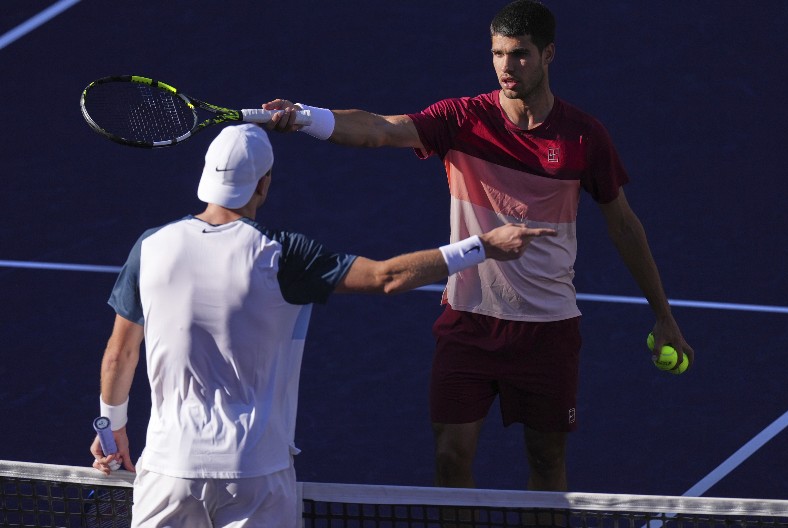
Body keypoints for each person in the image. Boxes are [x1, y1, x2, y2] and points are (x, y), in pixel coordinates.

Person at [262, 0, 694, 492]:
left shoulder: (583, 137)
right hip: (468, 322)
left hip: (547, 331)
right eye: (498, 53)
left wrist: (663, 314)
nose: (507, 67)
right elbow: (380, 130)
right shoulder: (461, 119)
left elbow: (624, 226)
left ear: (549, 54)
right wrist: (305, 118)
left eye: (521, 54)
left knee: (547, 461)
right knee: (450, 457)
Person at [89, 123, 555, 527]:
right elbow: (386, 277)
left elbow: (119, 353)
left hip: (167, 472)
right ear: (263, 185)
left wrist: (112, 431)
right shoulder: (281, 254)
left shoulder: (149, 247)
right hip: (254, 473)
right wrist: (482, 245)